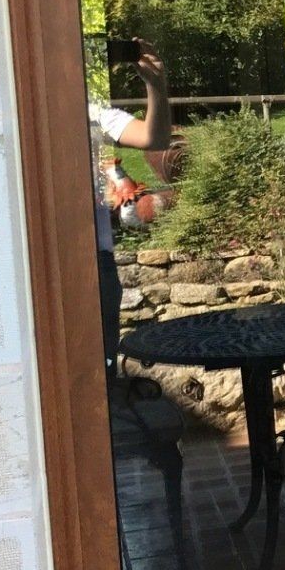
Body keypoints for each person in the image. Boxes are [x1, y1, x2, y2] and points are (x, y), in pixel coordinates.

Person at [92, 39, 171, 366]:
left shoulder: (90, 110)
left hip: (96, 259)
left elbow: (154, 138)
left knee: (102, 366)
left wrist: (155, 85)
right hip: (40, 259)